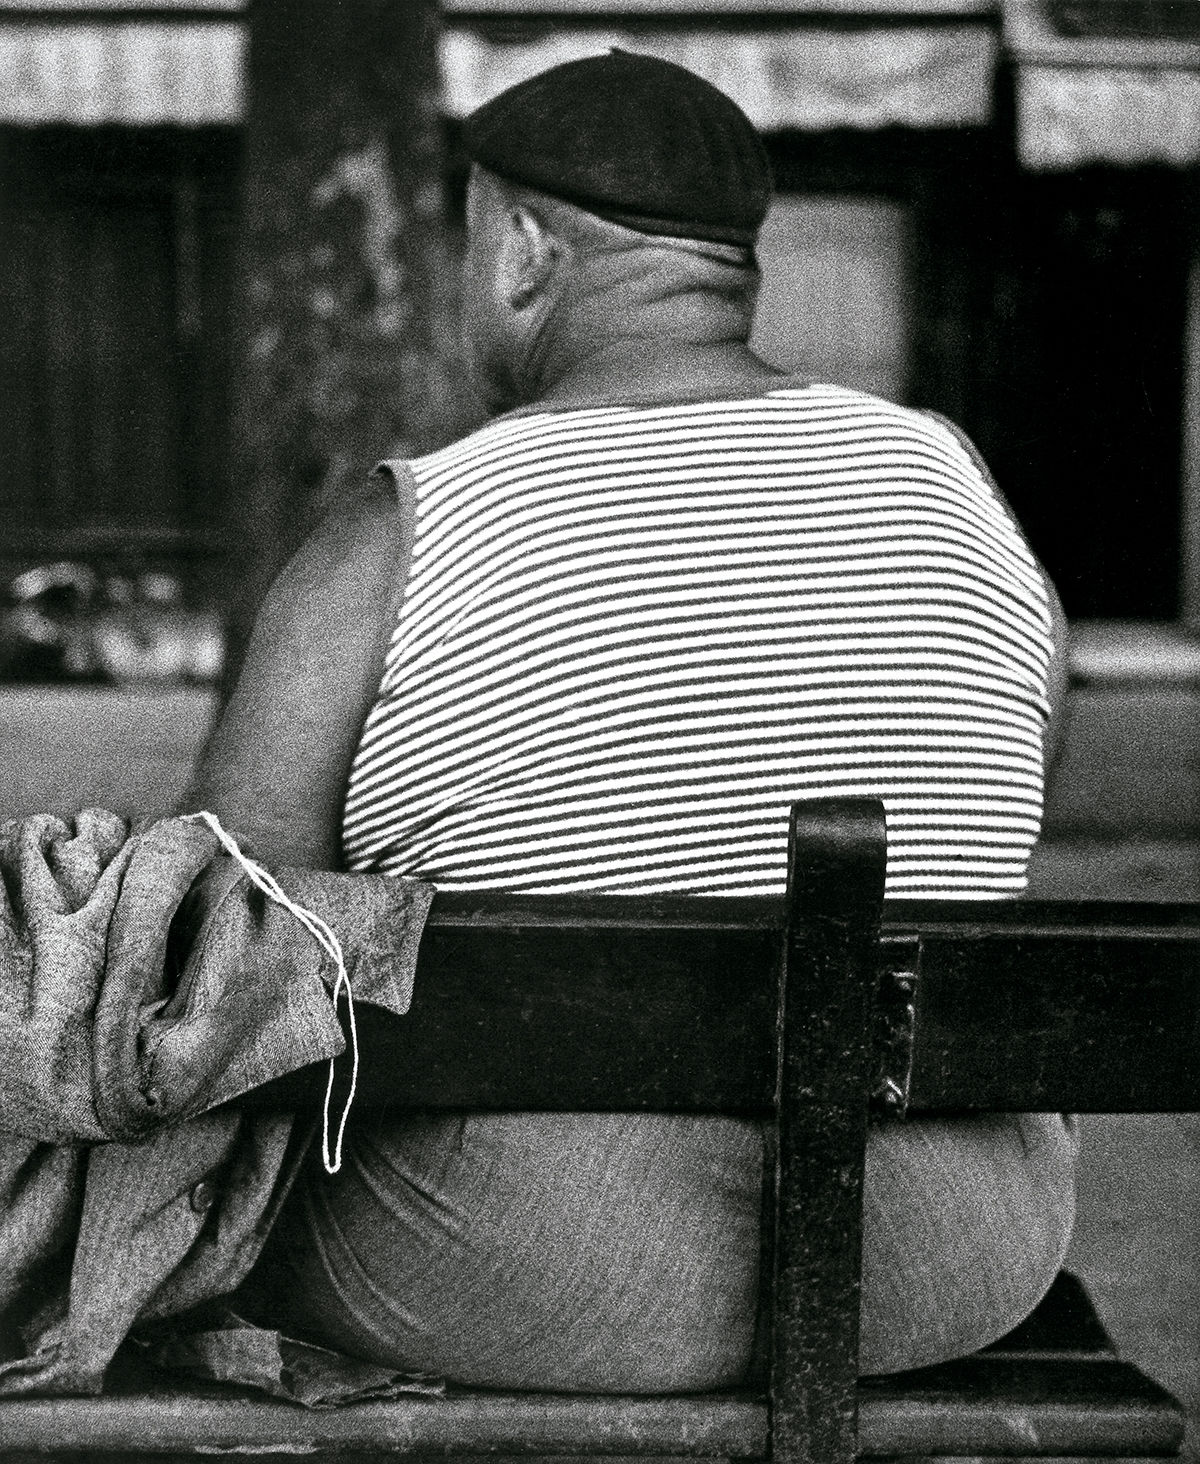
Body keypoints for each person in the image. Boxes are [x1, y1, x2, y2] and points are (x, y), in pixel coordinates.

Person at [193, 51, 1077, 1392]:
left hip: (522, 1271)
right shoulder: (953, 487)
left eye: (469, 237)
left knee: (200, 1212)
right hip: (945, 1257)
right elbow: (998, 810)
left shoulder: (411, 526)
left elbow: (233, 923)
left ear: (528, 252)